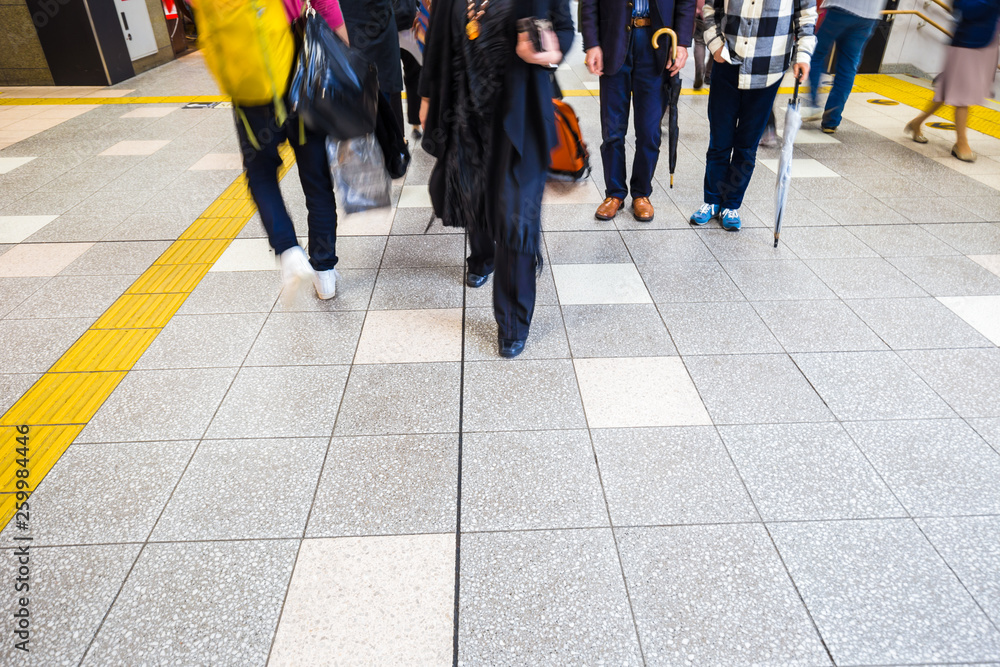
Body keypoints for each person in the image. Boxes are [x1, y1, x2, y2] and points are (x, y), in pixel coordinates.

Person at [419, 0, 574, 358]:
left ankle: (513, 322)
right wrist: (426, 97)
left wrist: (551, 52)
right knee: (474, 191)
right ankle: (482, 256)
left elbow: (564, 28)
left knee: (515, 212)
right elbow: (438, 37)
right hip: (464, 112)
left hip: (520, 113)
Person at [232, 0, 347, 300]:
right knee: (316, 178)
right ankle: (324, 272)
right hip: (299, 74)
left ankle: (288, 249)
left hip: (249, 82)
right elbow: (326, 6)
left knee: (261, 173)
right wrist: (349, 65)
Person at [689, 0, 816, 231]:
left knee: (747, 145)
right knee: (719, 140)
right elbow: (710, 9)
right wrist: (715, 45)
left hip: (768, 69)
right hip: (726, 62)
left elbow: (805, 17)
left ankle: (731, 204)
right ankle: (712, 200)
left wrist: (803, 56)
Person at [581, 0, 696, 223]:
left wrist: (681, 42)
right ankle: (614, 193)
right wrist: (592, 43)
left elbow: (686, 2)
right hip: (614, 38)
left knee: (649, 131)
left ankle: (641, 193)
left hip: (656, 40)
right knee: (612, 129)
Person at [905, 0, 1000, 162]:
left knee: (948, 91)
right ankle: (961, 143)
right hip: (967, 43)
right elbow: (965, 8)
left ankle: (916, 123)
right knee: (962, 96)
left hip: (987, 43)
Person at [803, 0, 885, 133]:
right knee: (848, 66)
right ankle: (831, 121)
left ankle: (814, 104)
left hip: (840, 9)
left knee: (816, 54)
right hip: (869, 16)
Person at [692, 0, 713, 89]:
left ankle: (699, 70)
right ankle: (709, 74)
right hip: (716, 16)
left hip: (700, 15)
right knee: (716, 44)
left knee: (699, 42)